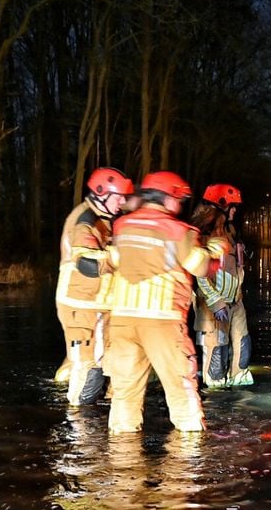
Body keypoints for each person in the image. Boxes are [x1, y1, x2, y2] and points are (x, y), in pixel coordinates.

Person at [102, 170, 229, 434]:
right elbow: (199, 265)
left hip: (122, 322)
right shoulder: (178, 230)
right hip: (162, 321)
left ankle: (124, 466)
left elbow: (113, 261)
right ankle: (186, 466)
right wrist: (216, 250)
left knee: (124, 397)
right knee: (182, 393)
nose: (180, 205)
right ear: (168, 197)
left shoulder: (122, 226)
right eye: (178, 199)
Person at [55, 166, 134, 406]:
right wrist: (123, 256)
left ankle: (91, 426)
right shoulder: (85, 221)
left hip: (98, 304)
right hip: (82, 305)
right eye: (118, 196)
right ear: (102, 193)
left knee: (102, 365)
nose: (122, 202)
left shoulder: (103, 218)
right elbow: (87, 263)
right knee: (89, 369)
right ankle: (79, 432)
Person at [191, 183, 254, 389]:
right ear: (220, 206)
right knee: (217, 356)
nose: (235, 210)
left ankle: (239, 383)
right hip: (213, 306)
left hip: (236, 302)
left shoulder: (230, 231)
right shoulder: (201, 235)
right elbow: (198, 272)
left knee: (242, 348)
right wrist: (215, 301)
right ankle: (216, 400)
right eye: (232, 206)